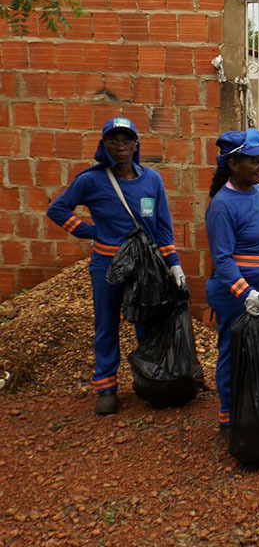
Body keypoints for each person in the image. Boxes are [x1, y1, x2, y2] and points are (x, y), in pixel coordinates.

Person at [46, 117, 185, 415]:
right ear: (104, 145)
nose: (120, 146)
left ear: (136, 145)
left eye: (126, 140)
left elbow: (162, 226)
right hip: (107, 265)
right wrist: (89, 231)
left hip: (145, 267)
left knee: (147, 322)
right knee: (106, 324)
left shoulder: (152, 180)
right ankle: (106, 387)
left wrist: (173, 264)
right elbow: (57, 209)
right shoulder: (91, 180)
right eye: (113, 141)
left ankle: (148, 380)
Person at [204, 128, 259, 437]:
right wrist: (246, 293)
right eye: (254, 160)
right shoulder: (222, 205)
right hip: (236, 295)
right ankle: (228, 416)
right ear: (233, 164)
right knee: (233, 350)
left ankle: (257, 407)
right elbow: (222, 259)